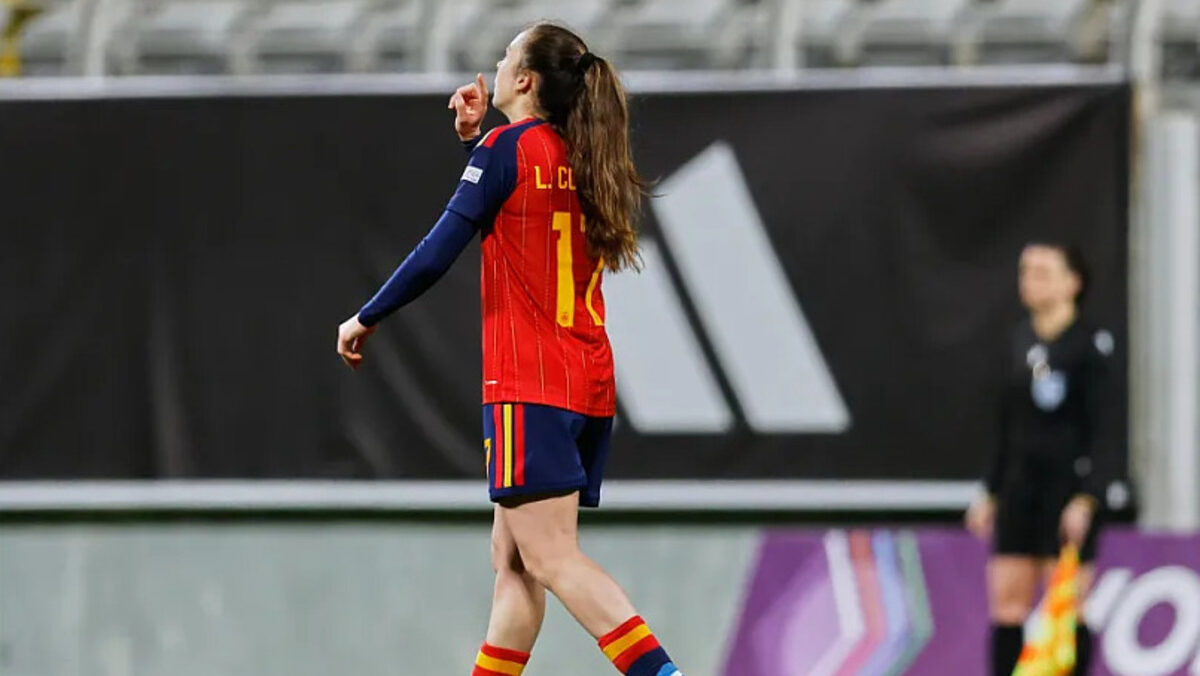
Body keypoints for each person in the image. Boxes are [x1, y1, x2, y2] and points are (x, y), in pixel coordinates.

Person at [336, 23, 685, 676]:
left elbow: (440, 247)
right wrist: (473, 145)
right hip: (585, 380)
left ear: (525, 81)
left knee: (551, 558)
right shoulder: (576, 154)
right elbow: (519, 209)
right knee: (515, 562)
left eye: (506, 58)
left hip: (530, 383)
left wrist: (366, 315)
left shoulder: (505, 149)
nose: (494, 66)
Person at [964, 242, 1120, 676]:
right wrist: (990, 490)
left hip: (1067, 490)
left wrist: (1089, 498)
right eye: (1025, 271)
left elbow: (1106, 428)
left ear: (1072, 283)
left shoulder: (1092, 347)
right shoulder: (1018, 343)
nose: (1029, 281)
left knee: (1066, 602)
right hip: (1019, 489)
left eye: (1043, 272)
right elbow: (1004, 426)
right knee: (1007, 602)